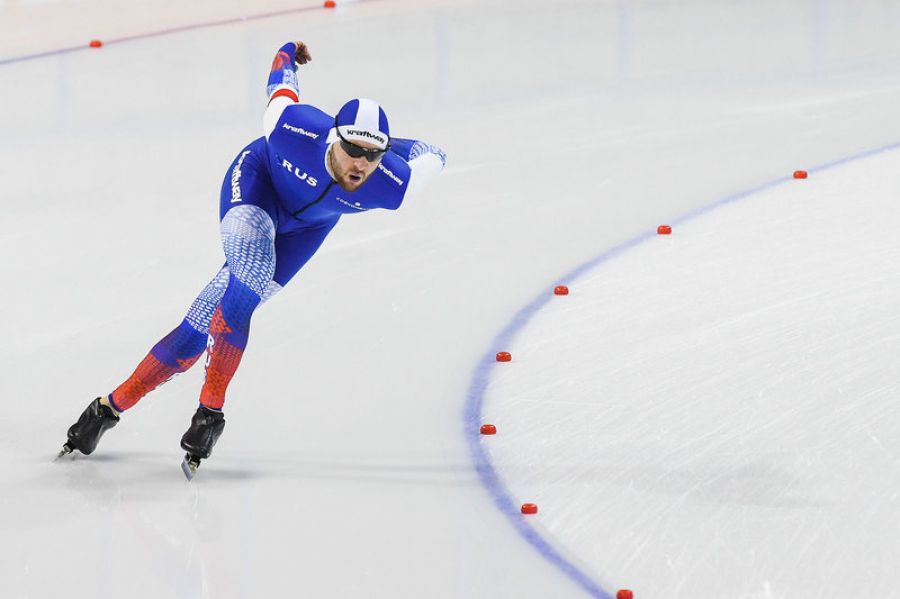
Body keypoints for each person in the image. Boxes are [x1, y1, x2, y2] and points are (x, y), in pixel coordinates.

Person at [59, 41, 447, 478]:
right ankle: (211, 412)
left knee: (202, 324)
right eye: (352, 149)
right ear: (333, 137)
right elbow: (281, 84)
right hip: (257, 184)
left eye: (372, 154)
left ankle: (107, 408)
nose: (360, 162)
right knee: (251, 274)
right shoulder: (293, 127)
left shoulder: (393, 186)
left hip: (306, 231)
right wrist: (286, 51)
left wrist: (392, 146)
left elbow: (435, 155)